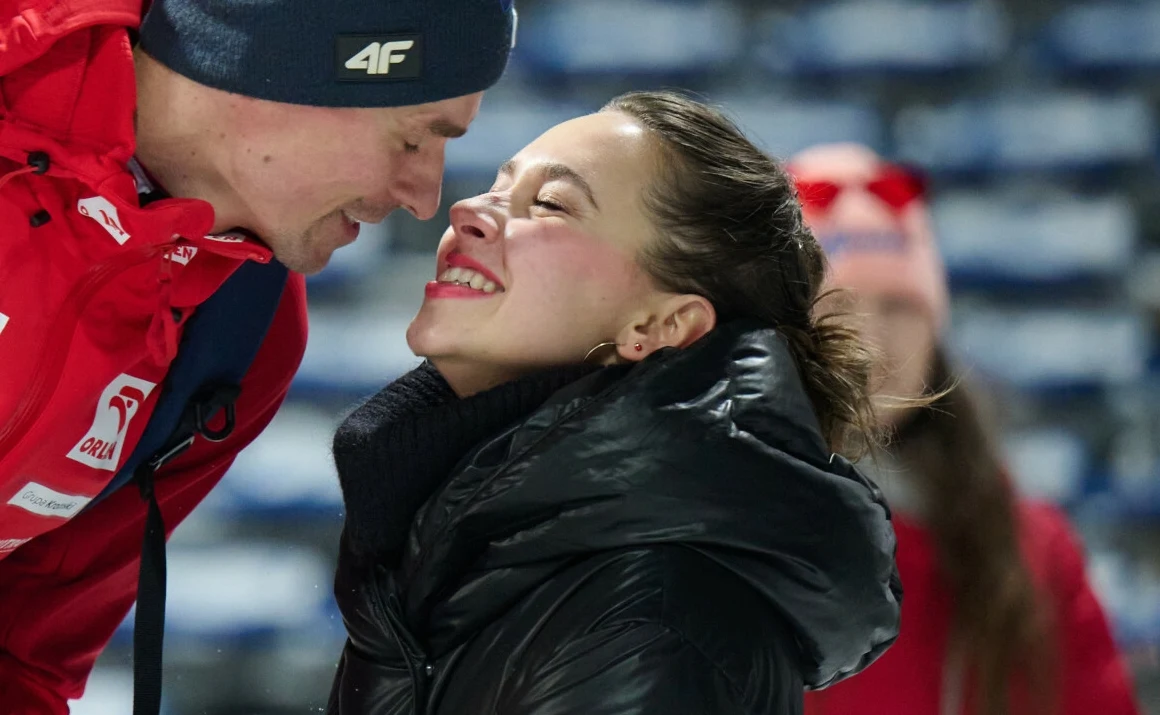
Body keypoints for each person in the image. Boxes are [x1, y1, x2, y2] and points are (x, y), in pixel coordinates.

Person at [0, 0, 517, 711]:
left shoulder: (244, 329)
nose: (425, 198)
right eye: (412, 140)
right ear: (289, 74)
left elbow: (21, 659)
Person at [326, 91, 902, 715]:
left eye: (548, 204)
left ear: (663, 325)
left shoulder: (652, 617)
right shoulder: (474, 540)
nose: (468, 209)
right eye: (498, 186)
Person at [790, 144, 1141, 715]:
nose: (872, 340)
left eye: (900, 307)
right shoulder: (704, 533)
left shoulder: (1032, 549)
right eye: (838, 307)